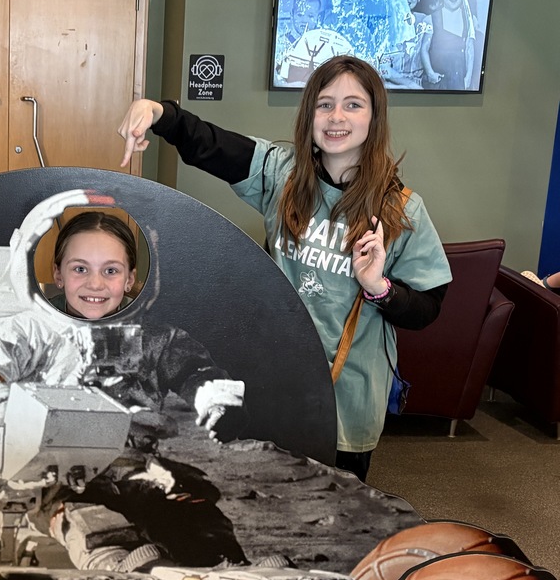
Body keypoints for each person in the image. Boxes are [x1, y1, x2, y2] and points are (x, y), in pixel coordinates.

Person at [117, 54, 451, 482]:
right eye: (324, 103)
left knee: (336, 512)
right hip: (274, 379)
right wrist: (159, 113)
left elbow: (428, 306)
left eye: (353, 104)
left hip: (346, 395)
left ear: (375, 116)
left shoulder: (401, 208)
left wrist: (378, 287)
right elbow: (211, 144)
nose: (336, 117)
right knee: (266, 502)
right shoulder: (282, 175)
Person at [0, 208, 250, 573]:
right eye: (81, 269)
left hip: (132, 467)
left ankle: (230, 567)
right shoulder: (28, 331)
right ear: (58, 275)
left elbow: (195, 371)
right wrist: (2, 406)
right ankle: (125, 570)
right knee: (98, 525)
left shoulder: (154, 338)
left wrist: (215, 399)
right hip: (52, 474)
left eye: (110, 270)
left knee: (190, 513)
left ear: (131, 279)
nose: (96, 284)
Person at [425, 0, 476, 90]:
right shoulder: (431, 18)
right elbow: (424, 49)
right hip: (437, 82)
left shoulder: (468, 19)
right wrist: (430, 73)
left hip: (459, 80)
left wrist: (468, 77)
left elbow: (470, 48)